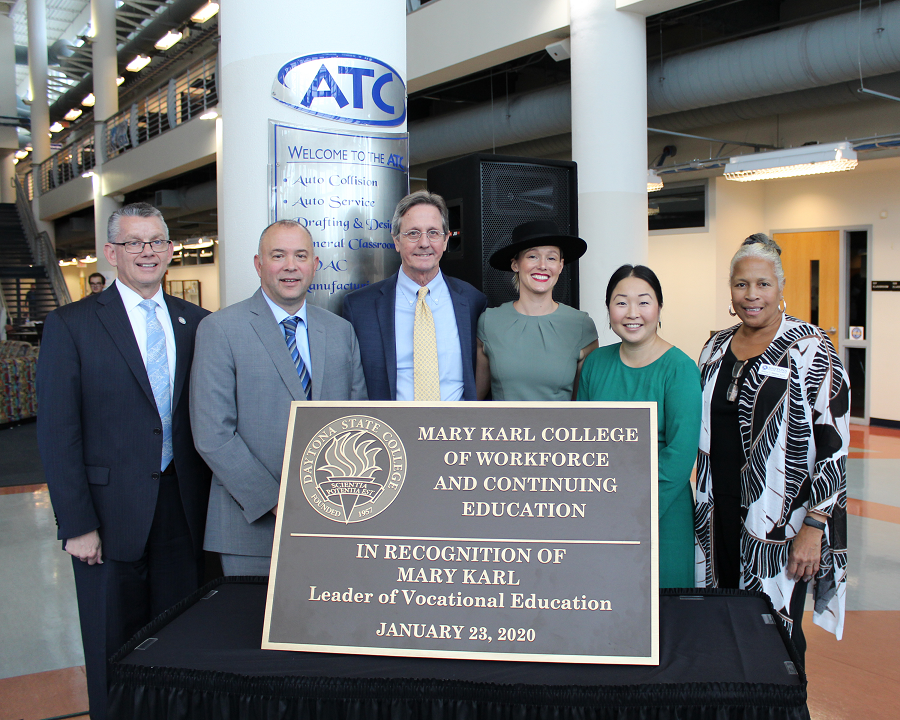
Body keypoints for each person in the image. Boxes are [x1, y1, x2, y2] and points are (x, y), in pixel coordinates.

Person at [36, 203, 212, 720]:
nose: (147, 251)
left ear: (170, 250)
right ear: (111, 253)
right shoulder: (71, 326)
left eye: (156, 241)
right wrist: (77, 523)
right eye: (134, 242)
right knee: (113, 645)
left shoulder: (196, 322)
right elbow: (57, 434)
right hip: (107, 520)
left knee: (180, 638)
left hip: (182, 511)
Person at [695, 233, 849, 662]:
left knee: (774, 629)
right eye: (742, 284)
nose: (752, 295)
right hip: (717, 510)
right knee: (723, 619)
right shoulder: (714, 347)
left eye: (763, 284)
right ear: (731, 290)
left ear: (781, 289)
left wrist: (814, 527)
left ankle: (784, 706)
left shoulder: (811, 348)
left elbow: (834, 443)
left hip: (782, 522)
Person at [190, 219, 367, 576]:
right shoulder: (220, 330)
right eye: (278, 255)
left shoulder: (340, 331)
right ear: (259, 264)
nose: (290, 265)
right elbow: (213, 435)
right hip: (251, 526)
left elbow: (357, 419)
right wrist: (276, 501)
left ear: (315, 265)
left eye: (301, 255)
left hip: (334, 524)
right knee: (248, 631)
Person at [577, 264, 700, 589]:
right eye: (621, 302)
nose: (633, 313)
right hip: (601, 508)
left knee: (662, 619)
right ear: (608, 310)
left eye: (644, 301)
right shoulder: (595, 364)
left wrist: (633, 511)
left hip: (661, 512)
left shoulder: (680, 369)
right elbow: (581, 442)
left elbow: (680, 455)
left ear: (659, 307)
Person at [342, 190, 487, 401]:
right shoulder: (359, 307)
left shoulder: (473, 301)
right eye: (413, 233)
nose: (424, 243)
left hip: (456, 429)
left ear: (446, 240)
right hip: (389, 430)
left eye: (433, 233)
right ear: (396, 241)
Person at [475, 219, 597, 400]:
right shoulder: (489, 322)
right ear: (515, 264)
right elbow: (474, 402)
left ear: (561, 266)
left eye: (551, 258)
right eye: (532, 256)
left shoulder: (581, 325)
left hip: (560, 428)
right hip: (504, 428)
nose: (542, 265)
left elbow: (582, 406)